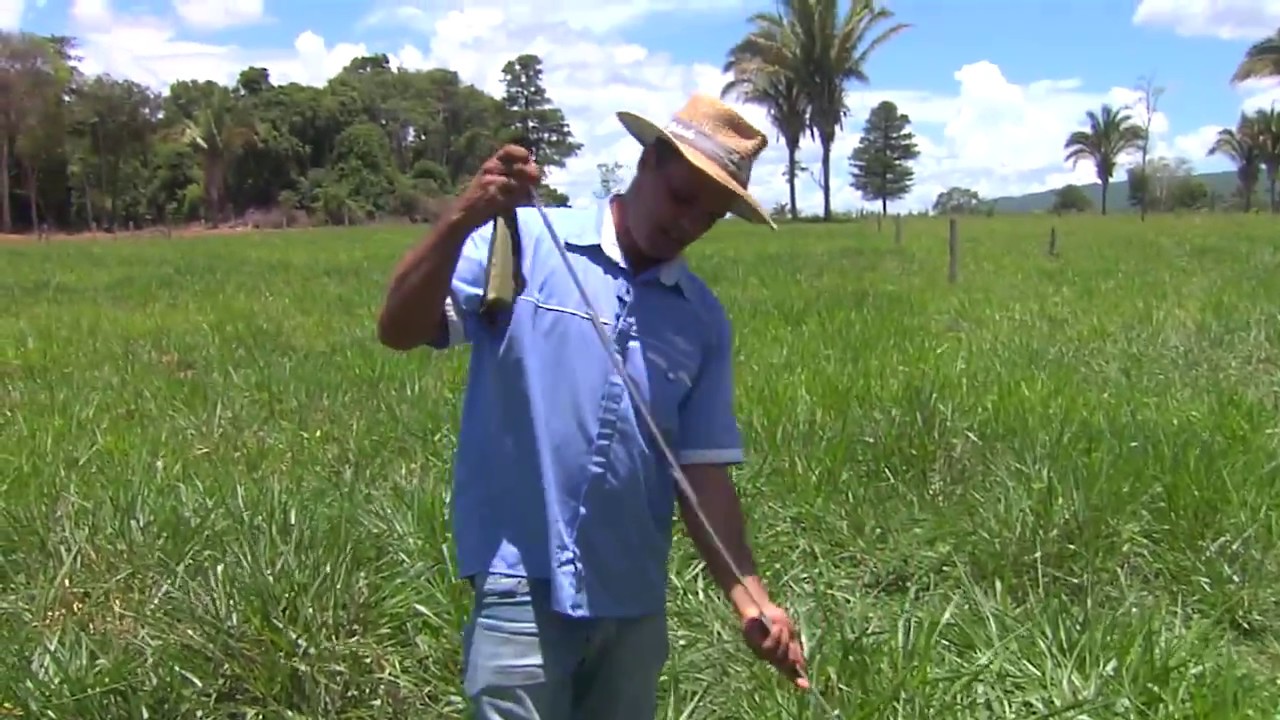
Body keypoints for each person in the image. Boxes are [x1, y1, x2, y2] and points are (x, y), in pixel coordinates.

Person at [376, 93, 807, 720]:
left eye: (709, 217)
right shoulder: (524, 242)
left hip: (631, 603)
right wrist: (460, 219)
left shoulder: (700, 319)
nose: (688, 224)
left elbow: (702, 475)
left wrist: (752, 601)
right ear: (648, 162)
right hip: (521, 584)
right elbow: (398, 329)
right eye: (684, 198)